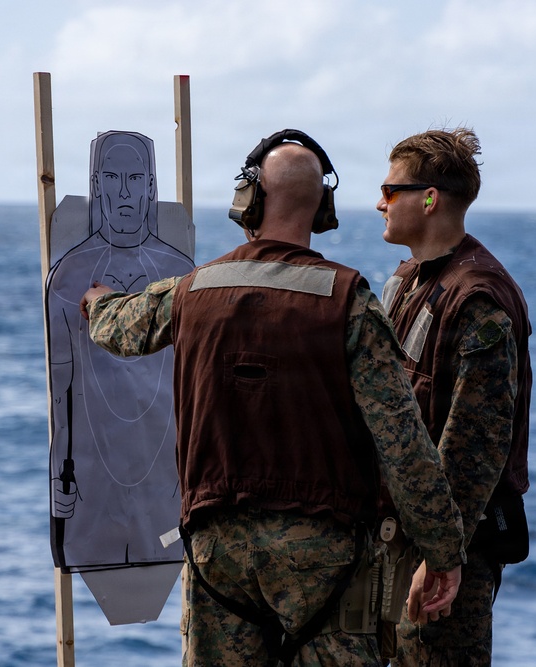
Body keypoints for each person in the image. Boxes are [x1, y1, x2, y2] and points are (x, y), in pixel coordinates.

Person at [80, 133, 467, 667]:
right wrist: (443, 551)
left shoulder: (193, 291)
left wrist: (97, 299)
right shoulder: (348, 302)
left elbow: (119, 328)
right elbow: (404, 447)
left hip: (218, 551)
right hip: (323, 560)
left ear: (249, 200)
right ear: (322, 208)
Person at [376, 128, 533, 666]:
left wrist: (442, 556)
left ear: (428, 198)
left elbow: (475, 445)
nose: (380, 203)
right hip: (400, 537)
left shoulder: (478, 299)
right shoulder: (407, 280)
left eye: (390, 190)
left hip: (448, 550)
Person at [47, 130, 194, 571]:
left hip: (167, 481)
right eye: (112, 176)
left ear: (152, 187)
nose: (125, 191)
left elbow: (194, 386)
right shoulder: (69, 274)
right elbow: (62, 388)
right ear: (96, 187)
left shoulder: (181, 274)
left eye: (135, 177)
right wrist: (60, 473)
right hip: (93, 481)